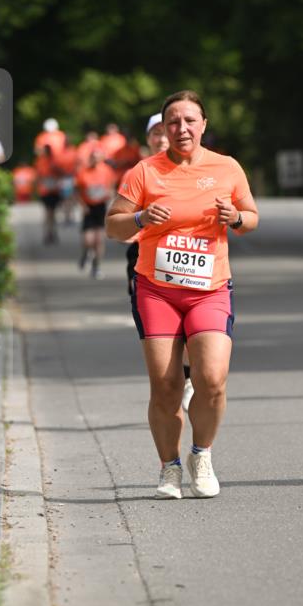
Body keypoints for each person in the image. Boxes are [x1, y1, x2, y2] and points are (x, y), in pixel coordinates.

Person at [106, 90, 259, 499]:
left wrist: (237, 217)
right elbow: (114, 225)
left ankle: (201, 455)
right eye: (174, 122)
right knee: (166, 385)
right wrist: (139, 217)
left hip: (209, 289)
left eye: (190, 120)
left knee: (211, 380)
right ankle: (169, 468)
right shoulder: (144, 171)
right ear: (164, 128)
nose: (182, 128)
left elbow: (252, 218)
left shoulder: (226, 168)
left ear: (204, 124)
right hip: (156, 291)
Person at [125, 113, 195, 411]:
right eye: (154, 133)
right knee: (165, 331)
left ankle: (188, 377)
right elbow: (121, 220)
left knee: (193, 324)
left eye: (164, 131)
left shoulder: (196, 169)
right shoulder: (139, 173)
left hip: (190, 257)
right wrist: (135, 222)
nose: (161, 137)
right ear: (148, 138)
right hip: (144, 260)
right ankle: (175, 379)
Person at [75, 146, 117, 278]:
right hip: (88, 207)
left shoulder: (107, 171)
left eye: (98, 156)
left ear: (102, 158)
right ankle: (85, 254)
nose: (95, 159)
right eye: (93, 156)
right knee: (88, 240)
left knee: (99, 240)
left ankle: (96, 266)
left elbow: (112, 188)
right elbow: (77, 191)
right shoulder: (83, 172)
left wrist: (111, 200)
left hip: (101, 207)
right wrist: (83, 205)